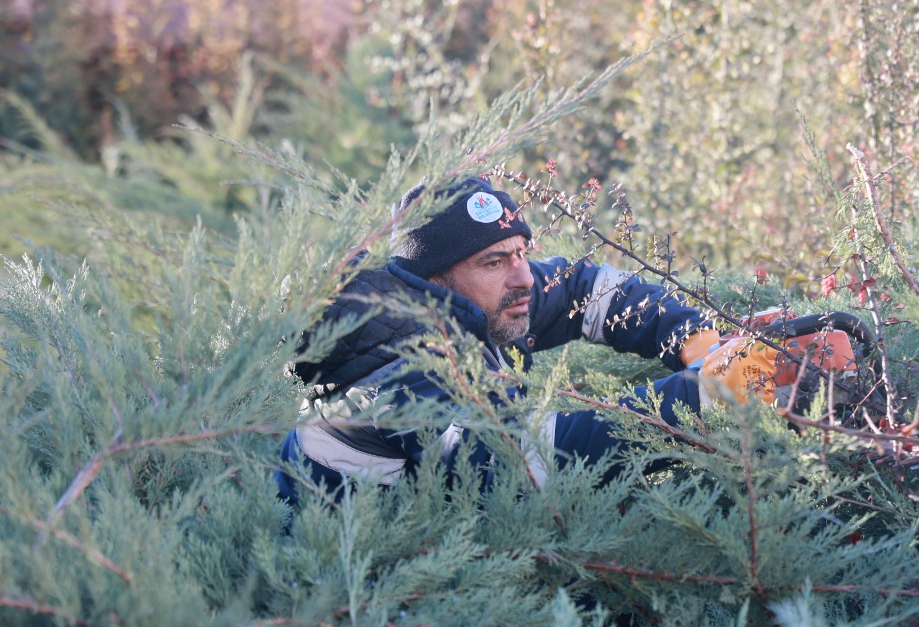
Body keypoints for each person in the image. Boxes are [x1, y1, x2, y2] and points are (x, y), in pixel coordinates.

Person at [275, 176, 727, 506]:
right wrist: (708, 394)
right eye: (494, 262)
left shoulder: (482, 301)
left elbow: (584, 289)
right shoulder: (400, 372)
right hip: (356, 593)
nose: (524, 277)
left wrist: (693, 335)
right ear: (435, 279)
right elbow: (525, 461)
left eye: (521, 252)